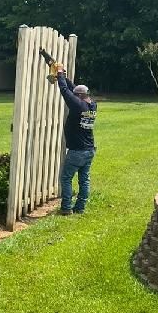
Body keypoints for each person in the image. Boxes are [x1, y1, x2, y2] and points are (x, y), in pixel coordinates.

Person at [55, 66, 97, 215]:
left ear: (78, 96)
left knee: (66, 178)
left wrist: (60, 75)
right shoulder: (91, 104)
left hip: (77, 151)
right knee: (84, 179)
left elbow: (66, 92)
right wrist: (65, 77)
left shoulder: (78, 105)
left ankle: (66, 208)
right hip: (90, 149)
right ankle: (80, 207)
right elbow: (73, 90)